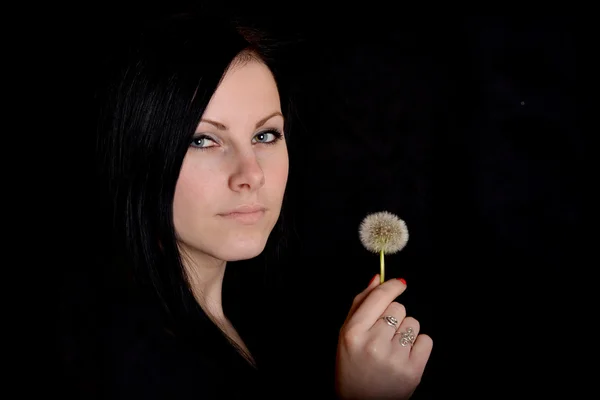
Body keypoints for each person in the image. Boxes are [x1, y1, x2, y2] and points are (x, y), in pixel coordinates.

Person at [86, 11, 433, 399]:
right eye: (203, 140)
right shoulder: (126, 364)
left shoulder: (265, 319)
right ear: (140, 154)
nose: (250, 174)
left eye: (266, 135)